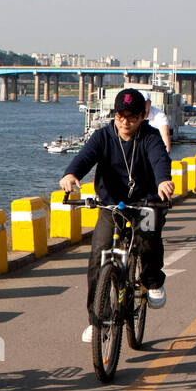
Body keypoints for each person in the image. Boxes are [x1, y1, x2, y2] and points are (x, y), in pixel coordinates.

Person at [60, 87, 175, 343]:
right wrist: (71, 174)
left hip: (145, 202)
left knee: (148, 238)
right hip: (111, 204)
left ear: (141, 117)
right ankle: (96, 321)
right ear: (114, 115)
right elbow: (85, 156)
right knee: (97, 255)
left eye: (132, 117)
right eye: (121, 117)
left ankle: (152, 281)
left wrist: (163, 182)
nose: (126, 122)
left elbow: (160, 160)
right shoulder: (103, 137)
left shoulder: (150, 136)